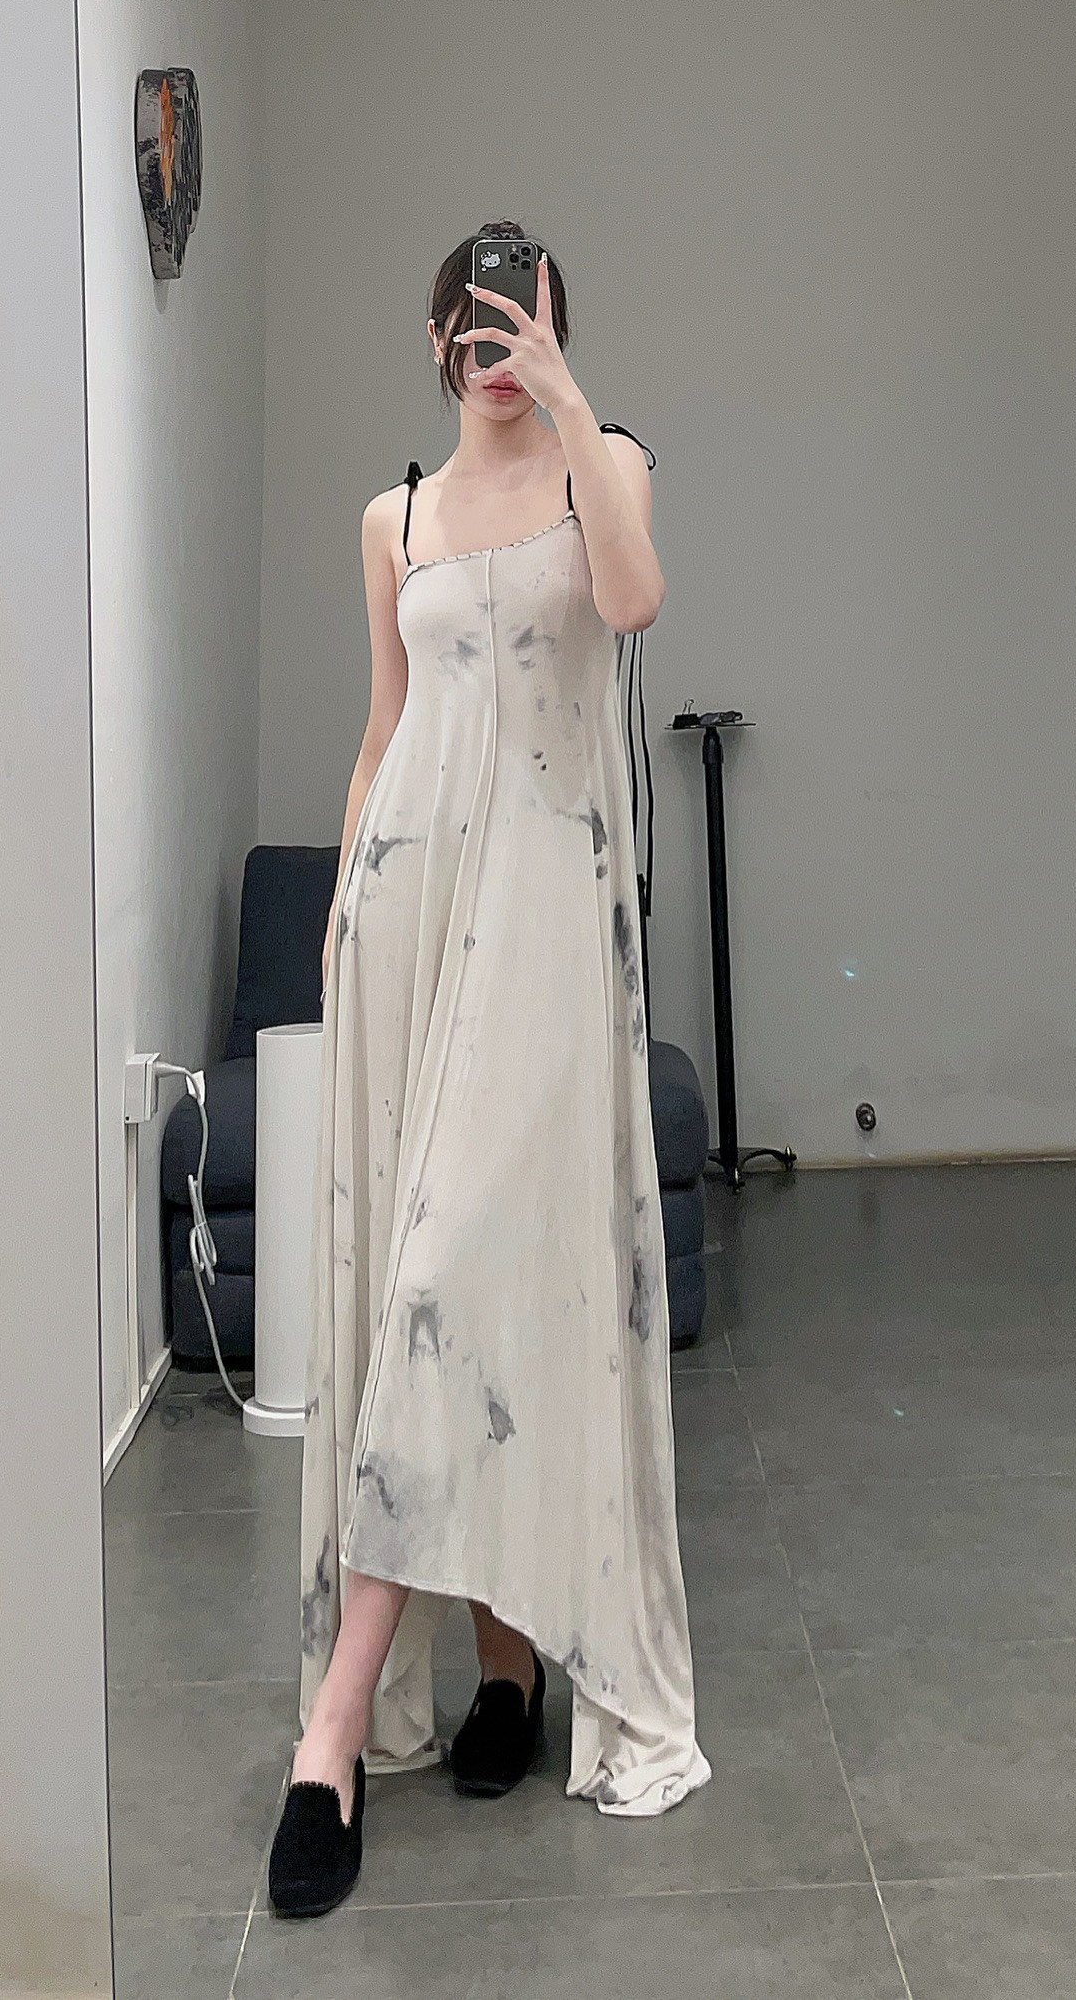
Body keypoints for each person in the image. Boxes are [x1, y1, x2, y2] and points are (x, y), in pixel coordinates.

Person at [267, 220, 711, 1919]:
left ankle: (327, 1731)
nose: (495, 345)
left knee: (477, 1268)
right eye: (471, 322)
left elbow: (633, 603)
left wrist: (573, 401)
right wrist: (340, 905)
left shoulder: (611, 466)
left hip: (544, 915)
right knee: (430, 1290)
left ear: (555, 331)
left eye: (520, 319)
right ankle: (503, 1678)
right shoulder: (392, 518)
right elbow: (386, 726)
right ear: (434, 343)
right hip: (407, 910)